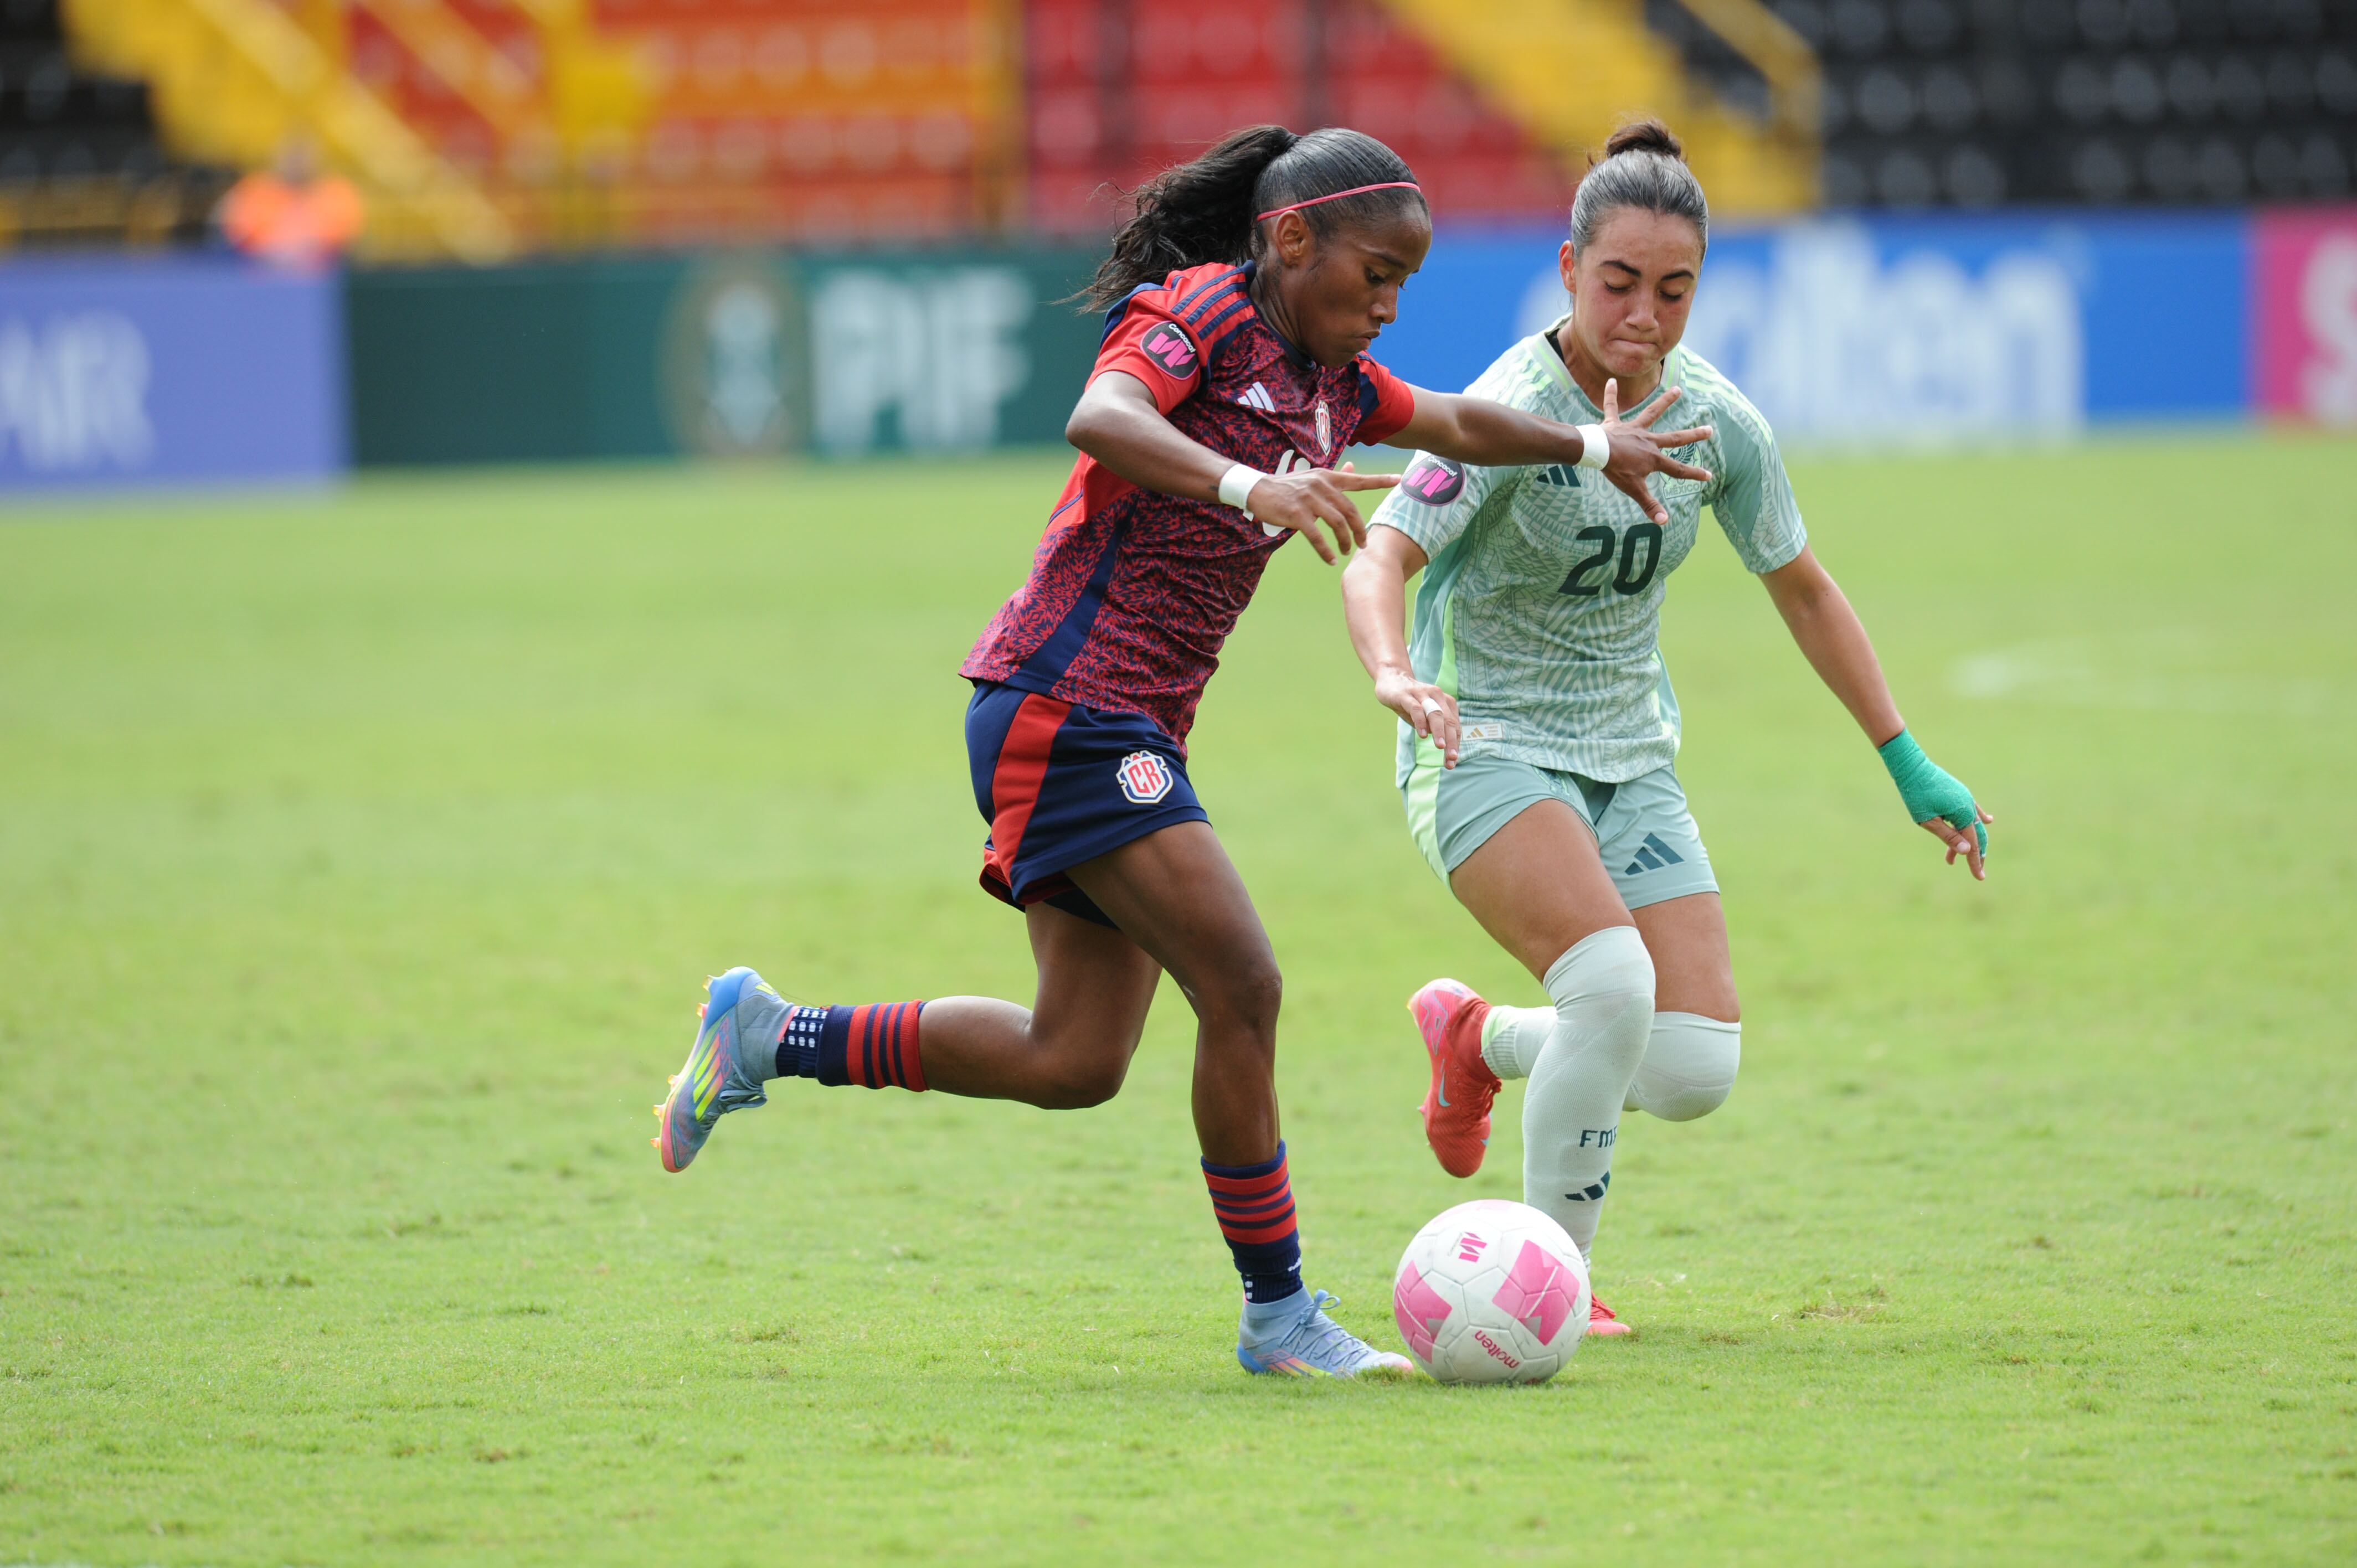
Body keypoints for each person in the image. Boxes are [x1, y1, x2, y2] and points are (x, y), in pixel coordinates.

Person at [652, 125, 1708, 1378]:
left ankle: (768, 1035)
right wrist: (1243, 487)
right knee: (1245, 987)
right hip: (1063, 699)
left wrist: (1593, 444)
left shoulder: (1334, 382)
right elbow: (1099, 415)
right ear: (1289, 238)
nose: (1385, 303)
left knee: (1075, 1059)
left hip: (1125, 722)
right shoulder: (1202, 312)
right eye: (1373, 273)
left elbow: (1455, 423)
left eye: (1404, 285)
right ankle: (1280, 1317)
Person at [1339, 120, 1991, 1338]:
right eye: (1618, 282)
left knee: (1690, 1069)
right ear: (1570, 267)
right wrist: (1390, 671)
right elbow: (1380, 557)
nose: (1643, 313)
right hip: (1481, 741)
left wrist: (1906, 759)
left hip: (1630, 758)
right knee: (1610, 985)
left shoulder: (1715, 423)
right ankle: (1554, 1293)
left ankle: (1479, 1039)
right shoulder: (1503, 411)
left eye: (1673, 288)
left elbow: (1802, 584)